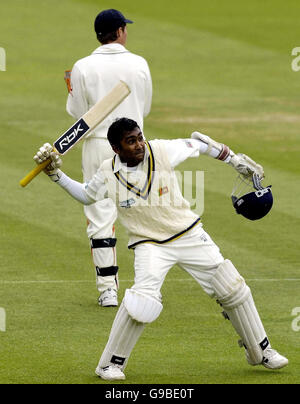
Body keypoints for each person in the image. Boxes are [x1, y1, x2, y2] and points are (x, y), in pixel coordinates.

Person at [33, 118, 288, 381]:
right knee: (142, 301)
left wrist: (234, 160)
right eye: (131, 141)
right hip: (149, 244)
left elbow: (200, 144)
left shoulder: (162, 150)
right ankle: (110, 365)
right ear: (116, 148)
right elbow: (88, 194)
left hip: (189, 234)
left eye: (140, 137)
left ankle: (262, 351)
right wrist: (56, 175)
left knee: (231, 286)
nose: (139, 145)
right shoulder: (107, 171)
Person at [65, 9, 152, 307]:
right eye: (125, 28)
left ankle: (108, 291)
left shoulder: (82, 66)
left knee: (100, 215)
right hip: (135, 145)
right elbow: (146, 107)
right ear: (119, 31)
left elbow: (78, 115)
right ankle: (147, 287)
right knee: (140, 212)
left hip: (98, 144)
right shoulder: (139, 63)